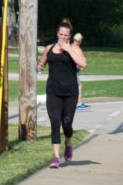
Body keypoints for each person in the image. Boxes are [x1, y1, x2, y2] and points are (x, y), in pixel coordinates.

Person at [37, 20, 87, 168]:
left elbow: (83, 64)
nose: (63, 37)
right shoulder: (49, 48)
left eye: (66, 35)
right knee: (54, 123)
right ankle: (56, 158)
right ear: (57, 34)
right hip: (53, 91)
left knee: (67, 123)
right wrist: (40, 66)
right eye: (61, 34)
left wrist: (69, 50)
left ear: (70, 36)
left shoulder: (75, 50)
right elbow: (42, 62)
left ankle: (68, 143)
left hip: (70, 93)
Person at [72, 33, 88, 110]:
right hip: (72, 71)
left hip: (72, 70)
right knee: (79, 86)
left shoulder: (71, 46)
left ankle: (76, 102)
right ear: (79, 40)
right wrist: (81, 66)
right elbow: (82, 61)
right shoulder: (77, 49)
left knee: (75, 86)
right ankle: (79, 103)